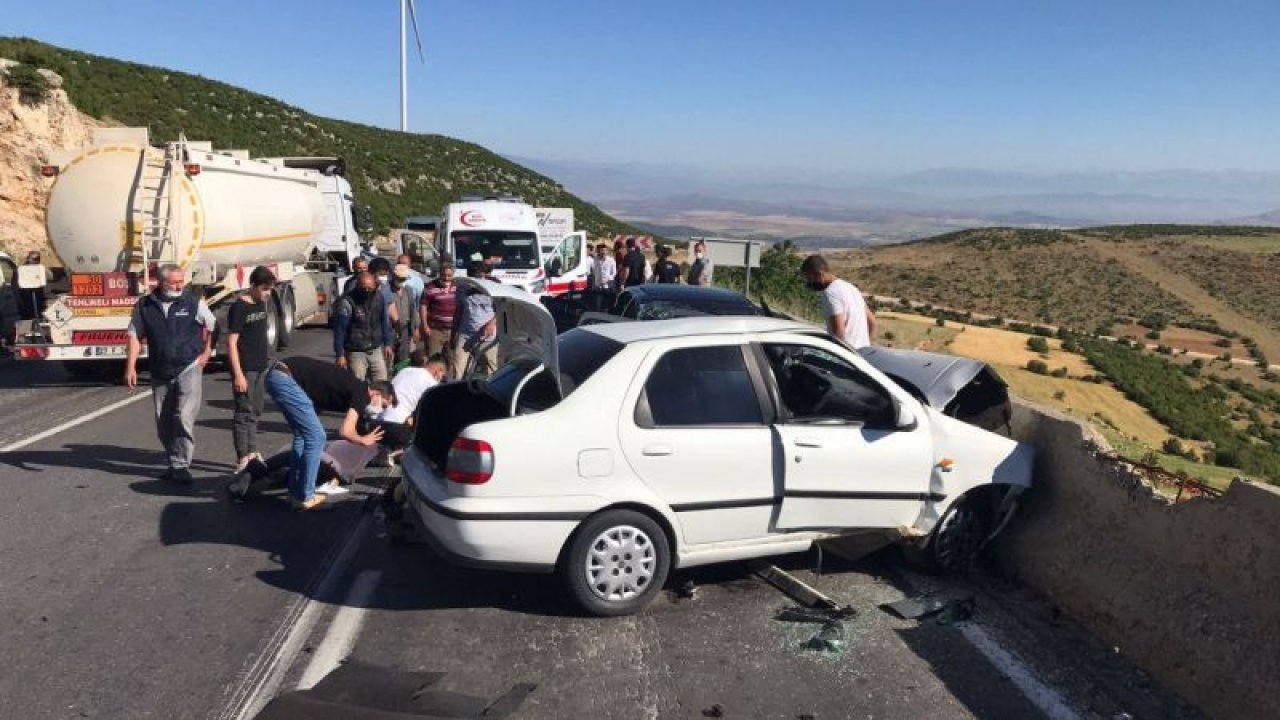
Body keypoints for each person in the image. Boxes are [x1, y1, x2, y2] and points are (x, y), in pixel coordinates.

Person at [255, 356, 391, 509]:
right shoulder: (362, 392)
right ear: (376, 393)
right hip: (285, 377)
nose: (381, 411)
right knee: (317, 437)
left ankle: (296, 491)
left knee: (303, 436)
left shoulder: (350, 389)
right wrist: (363, 440)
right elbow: (346, 431)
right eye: (384, 405)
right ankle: (306, 496)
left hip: (279, 375)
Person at [124, 264, 215, 484]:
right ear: (161, 282)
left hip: (188, 366)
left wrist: (206, 353)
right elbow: (134, 335)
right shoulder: (145, 305)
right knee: (164, 421)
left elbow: (213, 325)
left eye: (181, 280)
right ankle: (174, 462)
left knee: (183, 416)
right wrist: (130, 367)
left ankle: (182, 465)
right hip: (160, 370)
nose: (179, 285)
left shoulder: (192, 302)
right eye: (174, 282)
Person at [226, 266, 276, 474]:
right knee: (243, 412)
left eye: (270, 289)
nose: (268, 293)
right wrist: (238, 373)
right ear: (253, 286)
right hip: (245, 369)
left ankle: (253, 451)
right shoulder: (239, 307)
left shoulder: (262, 305)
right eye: (264, 289)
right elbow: (231, 342)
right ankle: (242, 457)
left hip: (260, 367)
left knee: (255, 411)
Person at [800, 254, 876, 349]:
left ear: (819, 275)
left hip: (847, 356)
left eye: (809, 278)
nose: (808, 283)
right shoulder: (851, 287)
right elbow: (872, 321)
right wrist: (867, 347)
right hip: (862, 354)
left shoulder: (830, 293)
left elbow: (839, 332)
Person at [375, 350, 447, 448]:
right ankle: (397, 451)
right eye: (442, 376)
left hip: (377, 421)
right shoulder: (431, 383)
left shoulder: (406, 370)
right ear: (438, 371)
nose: (440, 379)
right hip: (395, 427)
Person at [333, 271, 394, 381]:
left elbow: (384, 321)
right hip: (356, 351)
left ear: (375, 286)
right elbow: (340, 331)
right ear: (358, 286)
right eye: (364, 288)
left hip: (375, 349)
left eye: (370, 289)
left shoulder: (379, 297)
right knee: (358, 384)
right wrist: (340, 355)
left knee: (382, 382)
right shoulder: (347, 302)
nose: (367, 292)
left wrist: (388, 343)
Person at [451, 262, 498, 378]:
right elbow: (458, 311)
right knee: (458, 367)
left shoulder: (493, 287)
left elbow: (501, 309)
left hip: (487, 334)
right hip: (466, 332)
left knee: (491, 368)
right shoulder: (462, 288)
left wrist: (491, 323)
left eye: (478, 275)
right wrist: (453, 334)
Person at [419, 262, 457, 372]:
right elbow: (423, 306)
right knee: (434, 357)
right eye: (444, 275)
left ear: (453, 274)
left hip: (453, 330)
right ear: (439, 274)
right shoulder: (430, 286)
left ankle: (448, 382)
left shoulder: (458, 287)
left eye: (449, 276)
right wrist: (425, 325)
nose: (446, 278)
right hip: (435, 329)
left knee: (451, 359)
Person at [390, 264, 421, 365]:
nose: (401, 281)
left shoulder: (408, 290)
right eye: (399, 278)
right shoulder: (386, 290)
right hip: (391, 330)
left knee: (404, 360)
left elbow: (413, 309)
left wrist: (416, 328)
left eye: (403, 279)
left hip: (405, 330)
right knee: (389, 359)